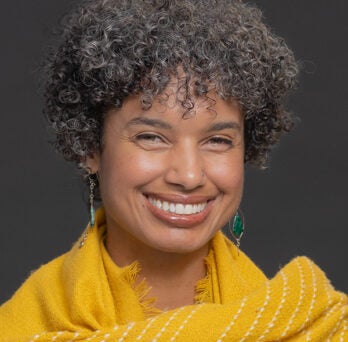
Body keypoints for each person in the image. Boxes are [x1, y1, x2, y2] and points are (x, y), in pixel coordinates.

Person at [0, 0, 347, 340]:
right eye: (152, 137)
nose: (189, 175)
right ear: (90, 147)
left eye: (218, 141)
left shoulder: (312, 327)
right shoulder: (20, 330)